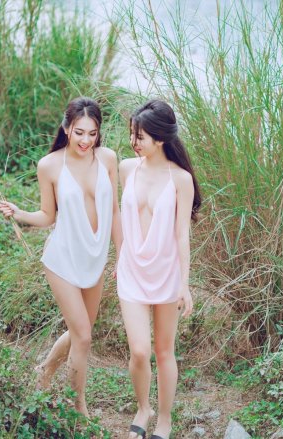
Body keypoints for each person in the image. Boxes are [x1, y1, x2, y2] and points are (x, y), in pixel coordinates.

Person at [0, 96, 122, 417]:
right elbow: (47, 216)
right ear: (66, 128)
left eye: (92, 133)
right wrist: (19, 213)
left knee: (81, 330)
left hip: (95, 259)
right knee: (83, 336)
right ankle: (77, 409)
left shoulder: (108, 159)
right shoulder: (50, 165)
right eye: (79, 132)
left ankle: (45, 371)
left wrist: (121, 255)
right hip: (62, 259)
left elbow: (115, 211)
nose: (85, 141)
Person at [117, 99, 201, 439]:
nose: (134, 142)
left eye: (140, 136)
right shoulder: (126, 168)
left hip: (166, 273)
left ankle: (164, 419)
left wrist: (185, 283)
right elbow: (119, 217)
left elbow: (182, 233)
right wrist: (120, 256)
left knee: (164, 351)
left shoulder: (180, 179)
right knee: (139, 351)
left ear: (161, 138)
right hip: (132, 271)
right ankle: (143, 408)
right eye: (132, 134)